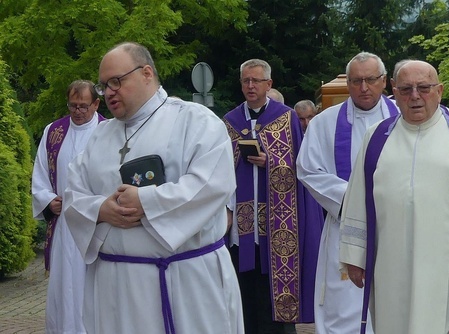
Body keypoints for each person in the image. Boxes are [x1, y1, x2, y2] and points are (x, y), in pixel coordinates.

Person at [63, 42, 244, 334]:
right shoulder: (100, 136)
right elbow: (73, 193)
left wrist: (146, 201)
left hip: (182, 283)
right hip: (113, 287)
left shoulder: (195, 121)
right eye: (103, 85)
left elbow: (211, 185)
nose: (108, 92)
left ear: (147, 73)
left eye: (116, 82)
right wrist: (100, 210)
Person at [339, 60, 449, 333]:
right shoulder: (377, 138)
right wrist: (354, 255)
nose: (415, 96)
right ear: (394, 92)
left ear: (440, 90)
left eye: (424, 87)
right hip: (389, 265)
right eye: (406, 89)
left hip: (448, 270)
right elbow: (358, 199)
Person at [296, 52, 398, 334]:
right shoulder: (324, 123)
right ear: (348, 83)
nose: (363, 88)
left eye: (370, 80)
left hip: (398, 227)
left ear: (384, 81)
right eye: (356, 81)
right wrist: (356, 202)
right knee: (345, 307)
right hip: (347, 227)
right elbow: (308, 169)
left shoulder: (406, 118)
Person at [223, 59, 323, 334]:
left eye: (256, 80)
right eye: (246, 81)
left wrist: (271, 161)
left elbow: (301, 166)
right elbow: (220, 169)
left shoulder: (286, 117)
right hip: (242, 223)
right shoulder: (230, 121)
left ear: (269, 84)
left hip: (279, 221)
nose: (250, 86)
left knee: (274, 296)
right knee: (245, 292)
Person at [31, 80, 104, 333]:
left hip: (98, 225)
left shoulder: (110, 131)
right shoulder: (54, 132)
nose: (78, 111)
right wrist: (49, 200)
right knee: (65, 288)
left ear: (96, 103)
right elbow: (40, 174)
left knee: (92, 284)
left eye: (84, 106)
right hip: (64, 227)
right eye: (73, 105)